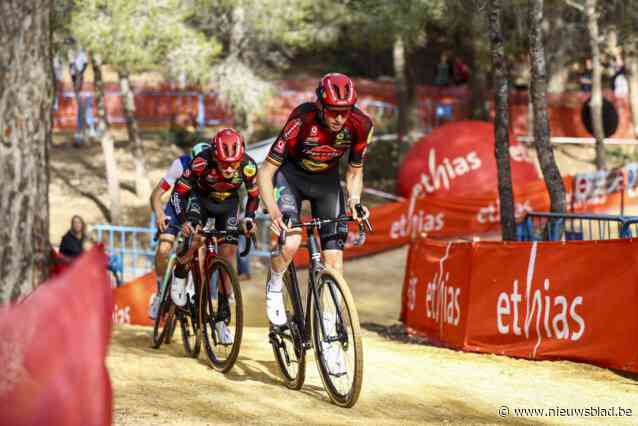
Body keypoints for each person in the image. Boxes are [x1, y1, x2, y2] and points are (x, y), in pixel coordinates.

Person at [256, 73, 372, 375]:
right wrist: (272, 211)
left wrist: (355, 201)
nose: (338, 118)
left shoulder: (361, 125)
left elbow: (354, 170)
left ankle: (330, 337)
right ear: (320, 105)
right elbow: (266, 171)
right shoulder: (301, 120)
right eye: (333, 111)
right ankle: (275, 283)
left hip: (327, 185)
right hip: (290, 179)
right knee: (292, 241)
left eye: (345, 112)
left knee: (334, 263)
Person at [171, 128, 259, 344]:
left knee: (228, 254)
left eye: (233, 163)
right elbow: (178, 193)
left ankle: (221, 317)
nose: (229, 168)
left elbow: (253, 196)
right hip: (200, 201)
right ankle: (180, 274)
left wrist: (248, 218)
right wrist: (183, 221)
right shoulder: (201, 162)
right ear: (214, 156)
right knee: (196, 237)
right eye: (223, 163)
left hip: (228, 205)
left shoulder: (248, 166)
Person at [148, 142, 209, 319]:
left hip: (198, 211)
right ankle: (160, 292)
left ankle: (191, 288)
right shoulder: (180, 165)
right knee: (164, 248)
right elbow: (156, 195)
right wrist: (159, 214)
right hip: (176, 208)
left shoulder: (214, 170)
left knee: (201, 249)